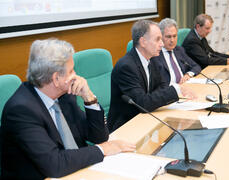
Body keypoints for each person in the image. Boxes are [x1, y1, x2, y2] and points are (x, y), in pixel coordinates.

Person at [0, 38, 135, 180]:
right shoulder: (21, 110)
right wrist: (103, 149)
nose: (76, 75)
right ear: (56, 79)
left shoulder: (64, 95)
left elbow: (98, 137)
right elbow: (55, 164)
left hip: (76, 170)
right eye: (71, 71)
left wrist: (88, 96)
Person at [107, 20, 196, 133]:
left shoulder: (152, 58)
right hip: (126, 126)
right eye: (158, 39)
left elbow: (162, 86)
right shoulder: (126, 67)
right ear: (143, 42)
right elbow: (143, 103)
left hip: (147, 118)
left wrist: (152, 99)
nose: (162, 44)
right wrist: (177, 89)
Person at [152, 18, 201, 85]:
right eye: (168, 37)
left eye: (174, 36)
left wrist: (188, 75)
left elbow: (196, 66)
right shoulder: (155, 54)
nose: (172, 40)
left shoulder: (179, 50)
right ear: (161, 36)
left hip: (185, 86)